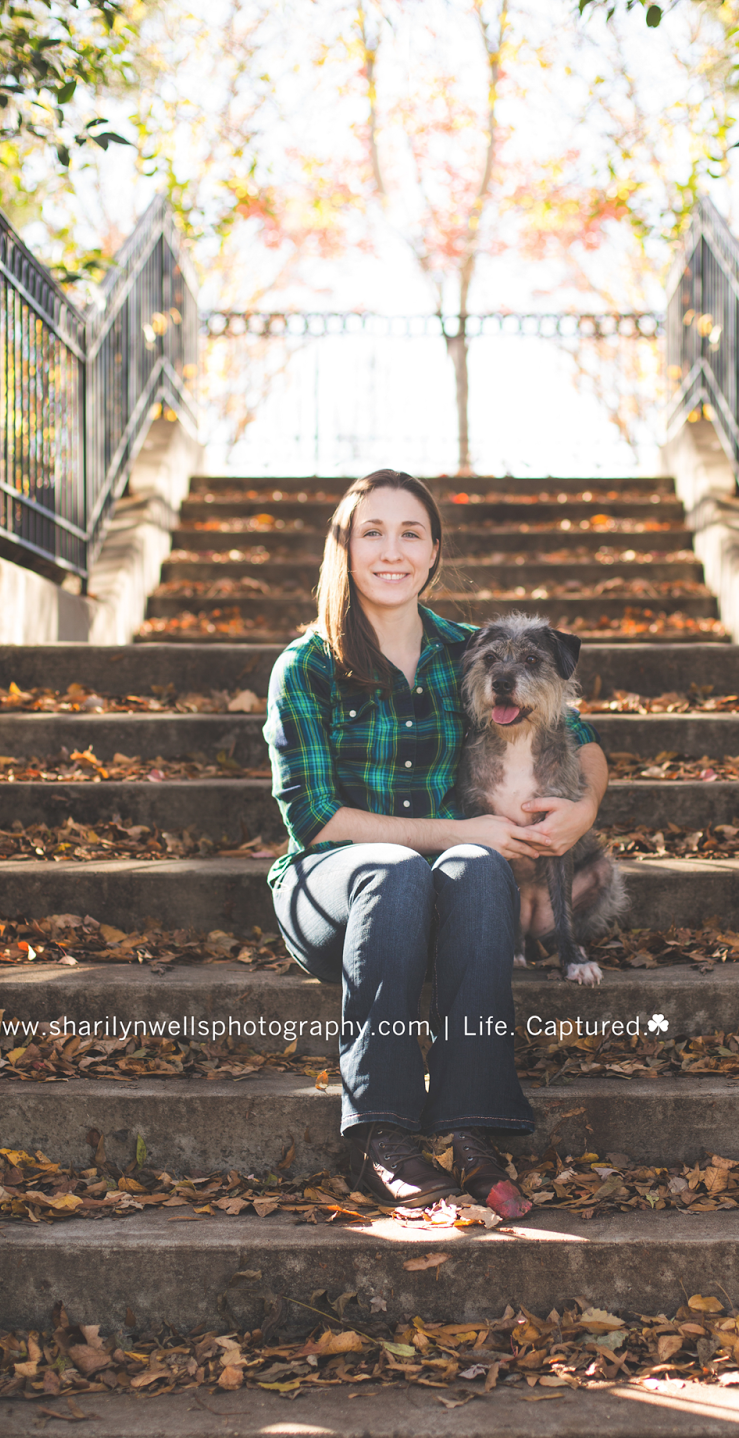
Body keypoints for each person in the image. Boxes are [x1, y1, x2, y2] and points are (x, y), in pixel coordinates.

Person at [263, 468, 608, 1218]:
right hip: (335, 894)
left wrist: (580, 817)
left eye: (410, 532)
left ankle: (474, 1129)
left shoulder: (475, 652)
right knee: (397, 869)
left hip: (450, 899)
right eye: (372, 533)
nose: (392, 550)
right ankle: (381, 1134)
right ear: (344, 551)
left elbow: (579, 742)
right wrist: (462, 830)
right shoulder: (305, 666)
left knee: (480, 867)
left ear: (433, 553)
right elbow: (316, 820)